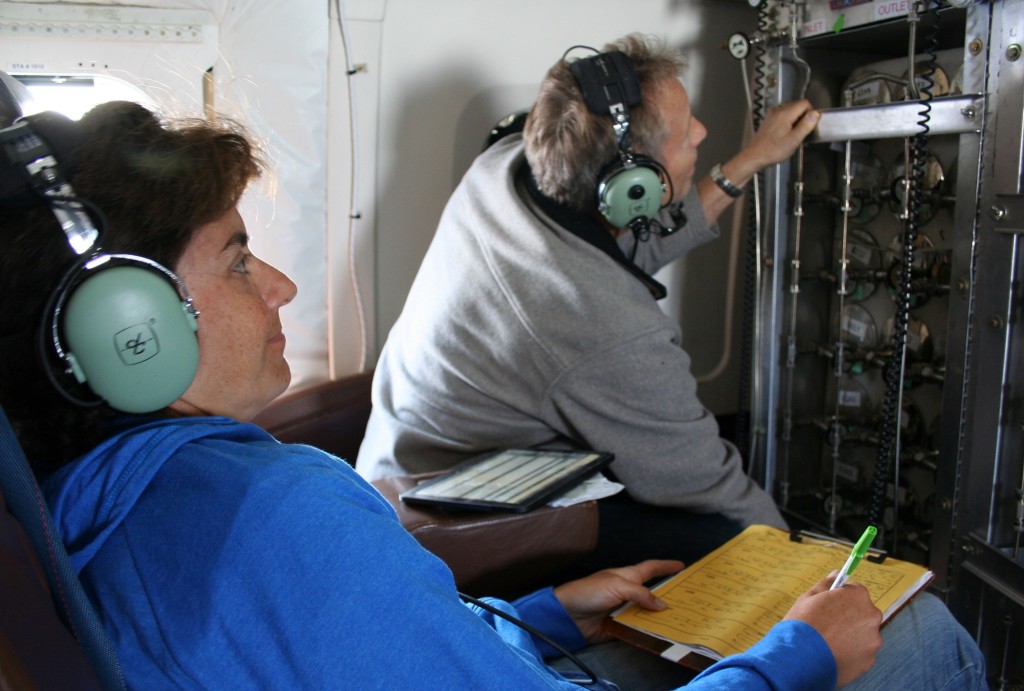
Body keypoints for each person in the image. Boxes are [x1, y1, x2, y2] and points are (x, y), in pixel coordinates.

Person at [0, 97, 985, 689]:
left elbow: (359, 652)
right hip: (456, 485)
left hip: (466, 574)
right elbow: (718, 488)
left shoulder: (88, 493)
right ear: (125, 331)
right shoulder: (273, 512)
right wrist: (799, 636)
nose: (283, 288)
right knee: (916, 625)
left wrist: (545, 616)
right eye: (239, 259)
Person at [356, 33, 814, 569]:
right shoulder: (600, 326)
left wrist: (750, 159)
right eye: (685, 133)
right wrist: (808, 580)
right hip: (444, 529)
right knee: (717, 535)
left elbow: (625, 245)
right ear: (632, 186)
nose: (702, 132)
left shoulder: (507, 165)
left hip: (398, 469)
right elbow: (705, 483)